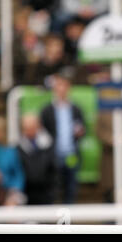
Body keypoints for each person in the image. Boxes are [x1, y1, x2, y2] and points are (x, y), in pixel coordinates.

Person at [40, 71, 86, 203]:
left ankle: (67, 221)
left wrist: (80, 132)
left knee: (71, 188)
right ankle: (53, 220)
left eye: (64, 85)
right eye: (59, 85)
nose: (62, 89)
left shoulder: (76, 109)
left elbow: (83, 129)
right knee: (53, 188)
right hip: (53, 155)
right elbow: (43, 133)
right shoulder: (47, 110)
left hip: (71, 154)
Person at [17, 114, 56, 205]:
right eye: (26, 128)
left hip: (45, 192)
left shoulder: (48, 144)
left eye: (32, 127)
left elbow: (54, 169)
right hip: (26, 193)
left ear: (38, 127)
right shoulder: (18, 147)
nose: (29, 131)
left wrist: (52, 191)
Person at [0, 116, 25, 206]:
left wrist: (13, 188)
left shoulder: (10, 151)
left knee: (12, 205)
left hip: (7, 191)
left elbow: (18, 174)